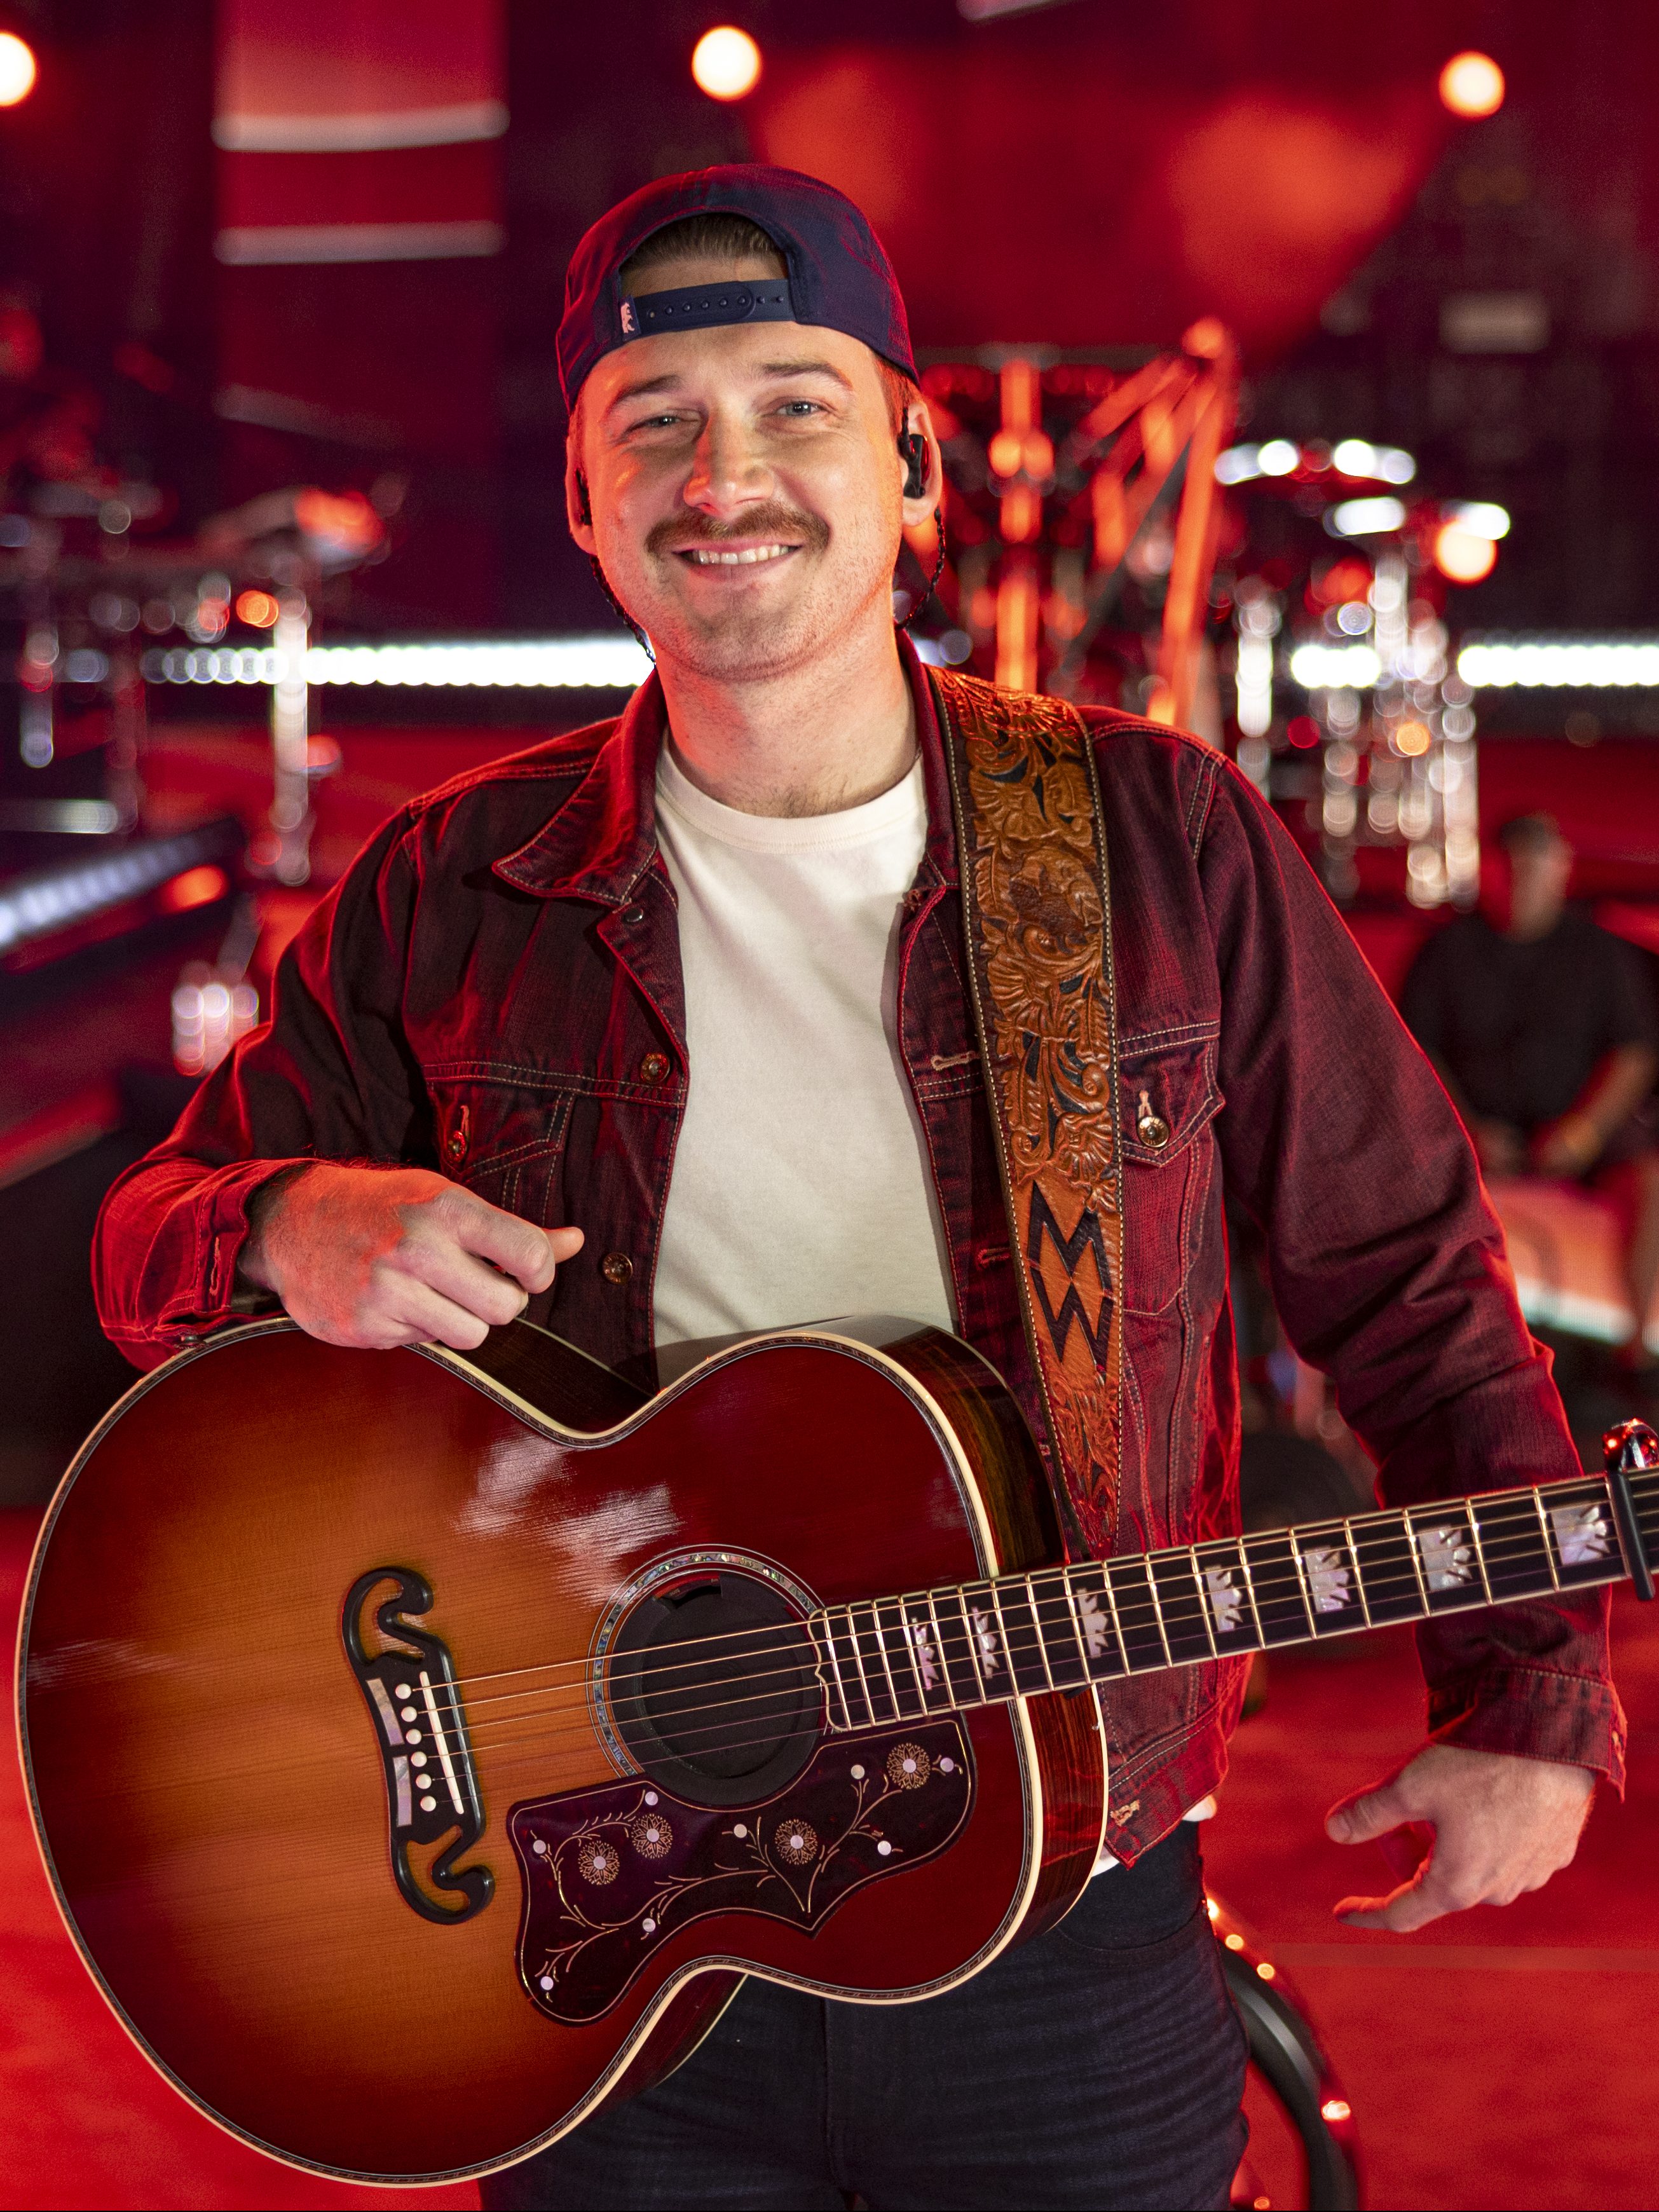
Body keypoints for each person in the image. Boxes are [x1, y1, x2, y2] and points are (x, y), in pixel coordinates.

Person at [92, 168, 1622, 2210]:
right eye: (656, 419)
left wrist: (1531, 1690)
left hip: (1060, 1921)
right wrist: (282, 1226)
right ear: (581, 494)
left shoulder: (1157, 843)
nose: (726, 473)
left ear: (910, 457)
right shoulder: (449, 890)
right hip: (577, 1927)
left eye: (796, 402)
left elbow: (1414, 1281)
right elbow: (147, 1242)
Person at [1403, 812, 1659, 1372]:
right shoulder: (1447, 950)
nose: (1524, 881)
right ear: (1491, 871)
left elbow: (1634, 1054)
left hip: (1578, 1133)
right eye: (1512, 868)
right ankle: (1442, 1353)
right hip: (1472, 1130)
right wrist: (1466, 1128)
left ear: (1562, 871)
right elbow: (1413, 1052)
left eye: (1537, 867)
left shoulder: (1599, 952)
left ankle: (1636, 1356)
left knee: (1650, 1183)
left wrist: (1584, 1131)